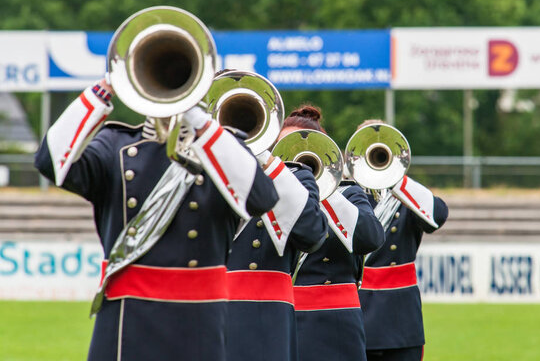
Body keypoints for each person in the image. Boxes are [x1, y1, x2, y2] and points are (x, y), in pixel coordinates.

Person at [34, 78, 278, 361]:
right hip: (127, 316)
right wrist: (104, 90)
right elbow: (49, 160)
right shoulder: (116, 145)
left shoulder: (221, 152)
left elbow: (262, 197)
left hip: (199, 318)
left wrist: (197, 118)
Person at [286, 106, 385, 361]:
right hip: (281, 316)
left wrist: (323, 188)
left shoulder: (348, 194)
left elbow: (371, 238)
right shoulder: (267, 195)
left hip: (335, 322)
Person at [225, 139, 328, 361]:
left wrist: (269, 165)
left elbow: (313, 234)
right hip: (215, 308)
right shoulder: (216, 165)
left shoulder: (297, 177)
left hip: (270, 315)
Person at [358, 121, 449, 361]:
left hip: (400, 315)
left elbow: (437, 216)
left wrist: (395, 178)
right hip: (358, 309)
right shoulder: (349, 194)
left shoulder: (406, 195)